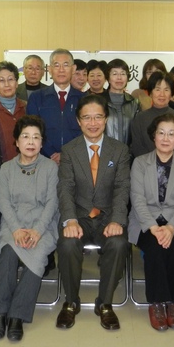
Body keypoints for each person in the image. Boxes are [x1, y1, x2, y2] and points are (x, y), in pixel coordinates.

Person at [56, 94, 130, 331]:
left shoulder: (119, 150)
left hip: (108, 216)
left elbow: (122, 188)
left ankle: (105, 304)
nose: (93, 122)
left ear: (106, 119)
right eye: (86, 117)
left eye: (98, 117)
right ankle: (71, 301)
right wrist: (69, 220)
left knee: (118, 244)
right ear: (78, 121)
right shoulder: (69, 150)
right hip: (78, 216)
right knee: (67, 245)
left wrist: (118, 219)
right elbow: (65, 187)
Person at [0, 116, 59, 342]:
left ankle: (17, 315)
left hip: (43, 226)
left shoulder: (50, 168)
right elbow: (4, 203)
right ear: (16, 142)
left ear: (42, 142)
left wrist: (37, 231)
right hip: (13, 225)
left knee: (37, 254)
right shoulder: (6, 169)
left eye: (36, 137)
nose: (31, 142)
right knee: (8, 252)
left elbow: (52, 204)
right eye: (25, 137)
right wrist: (17, 229)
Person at [128, 113, 174, 331]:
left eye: (171, 134)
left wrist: (171, 227)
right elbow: (137, 199)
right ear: (154, 136)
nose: (166, 138)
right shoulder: (139, 163)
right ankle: (157, 303)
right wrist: (154, 228)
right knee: (155, 248)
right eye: (161, 133)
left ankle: (173, 302)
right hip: (144, 220)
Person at [26, 48, 84, 164]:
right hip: (43, 160)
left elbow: (86, 130)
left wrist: (67, 154)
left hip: (76, 160)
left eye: (66, 65)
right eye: (56, 65)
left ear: (73, 69)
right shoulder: (37, 97)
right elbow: (33, 129)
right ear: (50, 69)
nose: (61, 70)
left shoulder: (83, 99)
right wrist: (51, 153)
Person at [130, 71, 174, 159]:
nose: (162, 94)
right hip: (146, 168)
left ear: (171, 93)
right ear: (150, 93)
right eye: (157, 89)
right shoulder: (140, 118)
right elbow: (137, 148)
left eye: (166, 89)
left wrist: (166, 164)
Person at [102, 58, 140, 146]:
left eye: (123, 73)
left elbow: (137, 132)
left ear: (127, 77)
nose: (119, 77)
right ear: (108, 78)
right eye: (114, 74)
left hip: (127, 155)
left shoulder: (134, 103)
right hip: (103, 154)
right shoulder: (98, 101)